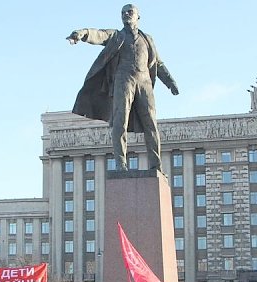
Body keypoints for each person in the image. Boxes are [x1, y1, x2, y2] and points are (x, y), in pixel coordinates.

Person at [67, 4, 178, 171]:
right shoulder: (117, 36)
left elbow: (158, 64)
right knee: (120, 122)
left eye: (130, 12)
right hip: (123, 80)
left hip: (144, 82)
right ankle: (121, 165)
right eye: (123, 13)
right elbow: (99, 34)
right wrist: (81, 33)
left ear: (138, 17)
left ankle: (156, 166)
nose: (126, 14)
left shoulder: (147, 39)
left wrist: (170, 82)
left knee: (151, 124)